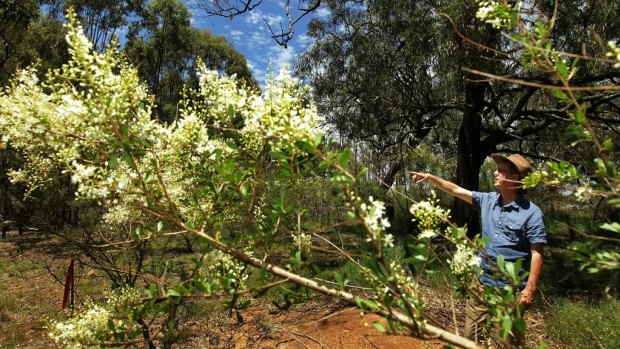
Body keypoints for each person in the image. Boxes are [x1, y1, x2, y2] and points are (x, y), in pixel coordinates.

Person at [411, 154, 546, 347]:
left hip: (510, 292)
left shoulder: (531, 213)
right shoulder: (487, 200)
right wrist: (431, 178)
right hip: (481, 285)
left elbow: (537, 253)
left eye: (501, 170)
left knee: (507, 343)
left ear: (515, 177)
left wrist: (529, 290)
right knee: (471, 339)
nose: (495, 172)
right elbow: (456, 190)